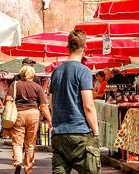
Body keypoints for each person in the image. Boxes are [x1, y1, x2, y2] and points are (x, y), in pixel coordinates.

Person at [49, 29, 100, 174]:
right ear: (85, 48)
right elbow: (88, 105)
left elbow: (51, 101)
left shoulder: (56, 71)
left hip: (59, 134)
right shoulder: (83, 71)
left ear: (68, 46)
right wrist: (95, 132)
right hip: (80, 133)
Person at [9, 65, 52, 174]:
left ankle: (18, 162)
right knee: (30, 143)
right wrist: (50, 120)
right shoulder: (37, 87)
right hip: (33, 114)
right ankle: (28, 168)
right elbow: (43, 105)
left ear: (21, 74)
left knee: (17, 142)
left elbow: (7, 99)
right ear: (32, 75)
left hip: (18, 114)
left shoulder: (15, 85)